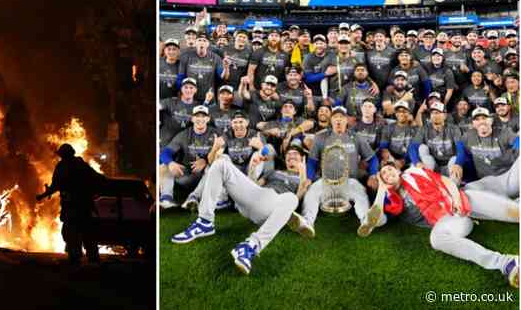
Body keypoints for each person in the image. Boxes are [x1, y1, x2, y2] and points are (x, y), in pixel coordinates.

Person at [170, 137, 301, 275]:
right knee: (221, 163)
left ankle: (249, 246)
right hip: (258, 197)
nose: (291, 157)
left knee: (292, 199)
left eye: (295, 155)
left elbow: (301, 195)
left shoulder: (306, 179)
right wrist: (253, 169)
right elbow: (254, 186)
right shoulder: (273, 172)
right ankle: (205, 221)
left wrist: (303, 173)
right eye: (289, 155)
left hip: (274, 205)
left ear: (303, 158)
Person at [376, 162, 519, 288]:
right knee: (436, 239)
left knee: (514, 208)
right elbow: (374, 220)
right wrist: (382, 189)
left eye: (389, 169)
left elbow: (445, 181)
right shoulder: (390, 199)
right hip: (451, 220)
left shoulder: (414, 172)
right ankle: (507, 263)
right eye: (383, 174)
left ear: (398, 170)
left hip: (462, 198)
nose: (388, 173)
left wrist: (456, 199)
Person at [294, 106, 382, 237]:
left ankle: (366, 222)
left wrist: (373, 174)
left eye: (342, 117)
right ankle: (307, 223)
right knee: (311, 194)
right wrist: (309, 178)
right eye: (335, 117)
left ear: (347, 121)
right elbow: (312, 161)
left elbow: (373, 158)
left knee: (361, 195)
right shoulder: (320, 137)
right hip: (326, 180)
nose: (339, 120)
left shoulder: (356, 137)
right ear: (331, 121)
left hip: (349, 180)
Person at [36, 143, 102, 265]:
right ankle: (92, 255)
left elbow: (55, 185)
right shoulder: (80, 165)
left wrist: (42, 196)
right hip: (83, 205)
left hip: (73, 206)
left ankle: (76, 255)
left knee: (72, 231)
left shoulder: (63, 167)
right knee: (86, 229)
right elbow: (96, 177)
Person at [159, 105, 221, 208]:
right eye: (197, 116)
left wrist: (205, 160)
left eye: (203, 116)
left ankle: (194, 197)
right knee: (164, 166)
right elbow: (165, 152)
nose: (200, 119)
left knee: (216, 164)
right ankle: (166, 199)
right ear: (192, 119)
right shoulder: (184, 134)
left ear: (208, 118)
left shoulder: (216, 133)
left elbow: (223, 153)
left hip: (207, 177)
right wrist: (171, 163)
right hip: (186, 174)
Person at [451, 107, 519, 197]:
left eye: (484, 118)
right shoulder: (470, 135)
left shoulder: (503, 132)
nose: (481, 122)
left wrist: (514, 151)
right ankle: (452, 195)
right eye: (477, 119)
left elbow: (518, 140)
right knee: (453, 161)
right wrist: (458, 163)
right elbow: (460, 144)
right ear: (473, 123)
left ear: (490, 120)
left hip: (506, 178)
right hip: (484, 180)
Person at [408, 102, 462, 176]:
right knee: (422, 148)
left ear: (445, 115)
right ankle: (426, 182)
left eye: (438, 113)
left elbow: (461, 148)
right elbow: (412, 147)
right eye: (432, 113)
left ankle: (453, 185)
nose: (434, 115)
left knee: (455, 160)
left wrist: (458, 163)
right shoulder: (424, 129)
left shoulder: (453, 129)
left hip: (449, 165)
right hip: (433, 164)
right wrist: (417, 162)